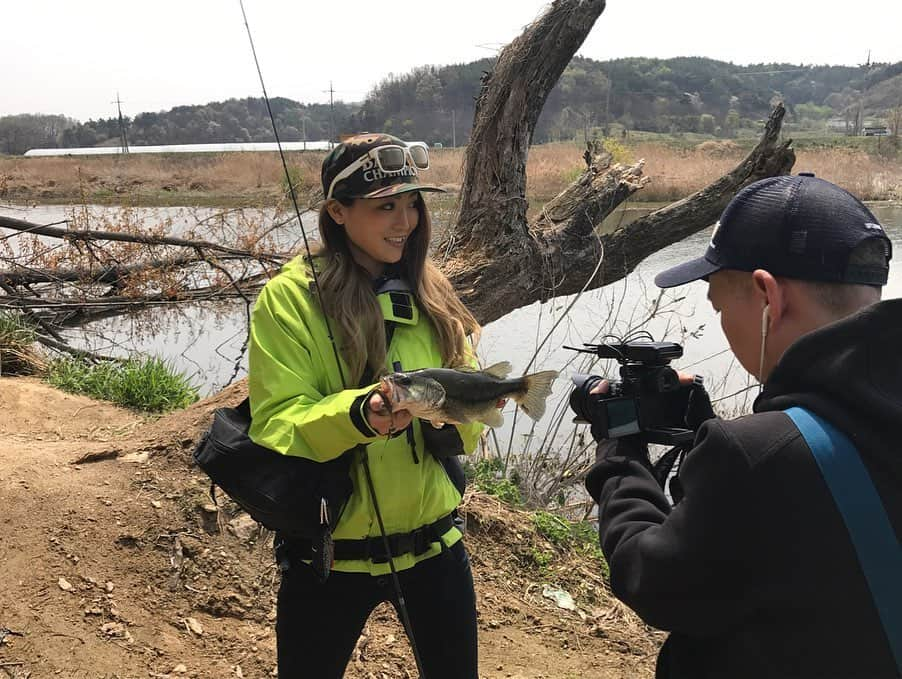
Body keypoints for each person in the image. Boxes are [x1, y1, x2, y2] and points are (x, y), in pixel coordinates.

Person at [584, 173, 900, 678]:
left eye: (719, 306)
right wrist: (705, 433)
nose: (722, 325)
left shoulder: (757, 458)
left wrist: (619, 456)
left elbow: (655, 580)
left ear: (766, 297)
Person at [247, 133, 483, 678]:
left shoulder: (433, 291)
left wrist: (452, 424)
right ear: (337, 211)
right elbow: (278, 423)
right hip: (328, 560)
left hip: (436, 550)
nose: (405, 222)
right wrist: (361, 416)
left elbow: (475, 414)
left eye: (412, 204)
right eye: (384, 207)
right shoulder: (290, 299)